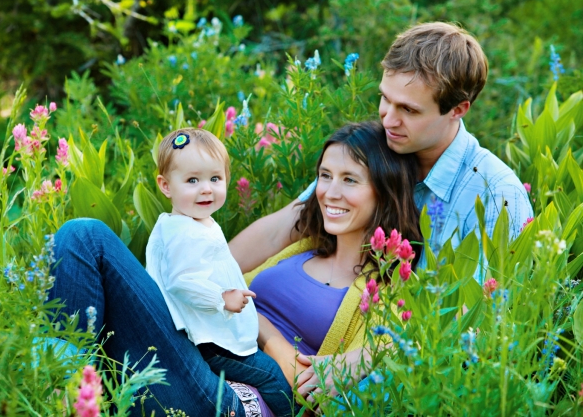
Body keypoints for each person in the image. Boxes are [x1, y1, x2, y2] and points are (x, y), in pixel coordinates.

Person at [47, 121, 420, 416]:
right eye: (324, 176)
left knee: (88, 236)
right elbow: (203, 273)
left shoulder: (385, 286)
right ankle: (67, 389)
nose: (329, 192)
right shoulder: (299, 247)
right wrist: (272, 340)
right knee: (81, 239)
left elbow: (406, 346)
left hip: (233, 397)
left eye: (350, 180)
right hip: (194, 350)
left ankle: (57, 388)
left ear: (383, 192)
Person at [229, 22, 534, 287]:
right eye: (385, 99)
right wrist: (203, 279)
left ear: (458, 110)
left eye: (409, 110)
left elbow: (491, 317)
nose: (388, 119)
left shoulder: (498, 195)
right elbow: (281, 230)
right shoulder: (373, 148)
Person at [145, 128, 297, 417]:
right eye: (192, 180)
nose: (206, 189)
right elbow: (181, 281)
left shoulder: (187, 222)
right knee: (272, 377)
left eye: (215, 178)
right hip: (211, 341)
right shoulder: (185, 234)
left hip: (213, 332)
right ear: (165, 186)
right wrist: (220, 296)